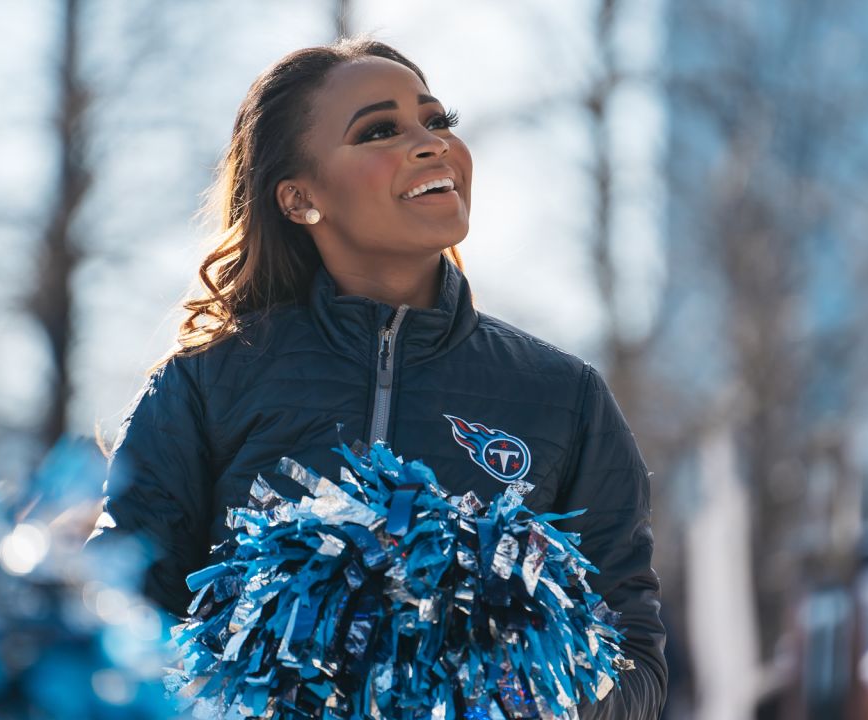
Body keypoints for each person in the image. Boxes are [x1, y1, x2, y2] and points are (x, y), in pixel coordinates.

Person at [86, 34, 667, 719]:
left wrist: (526, 696)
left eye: (437, 120)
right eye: (381, 131)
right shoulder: (207, 381)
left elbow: (635, 660)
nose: (430, 143)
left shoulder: (564, 396)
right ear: (301, 199)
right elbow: (114, 619)